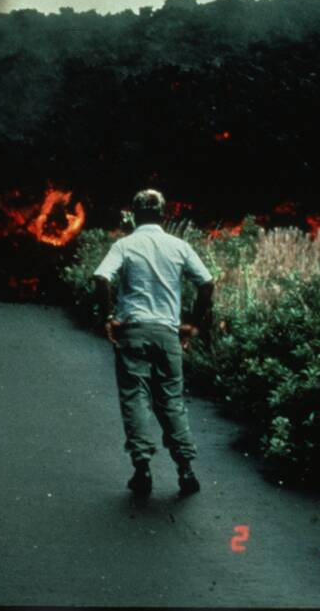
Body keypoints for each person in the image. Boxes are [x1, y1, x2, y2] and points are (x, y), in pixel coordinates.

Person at [93, 188, 214, 496]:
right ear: (163, 214)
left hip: (133, 331)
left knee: (135, 397)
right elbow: (206, 283)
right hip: (168, 334)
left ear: (134, 215)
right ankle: (185, 468)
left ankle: (142, 467)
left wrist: (108, 316)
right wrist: (191, 324)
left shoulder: (125, 244)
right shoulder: (179, 245)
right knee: (172, 399)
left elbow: (102, 278)